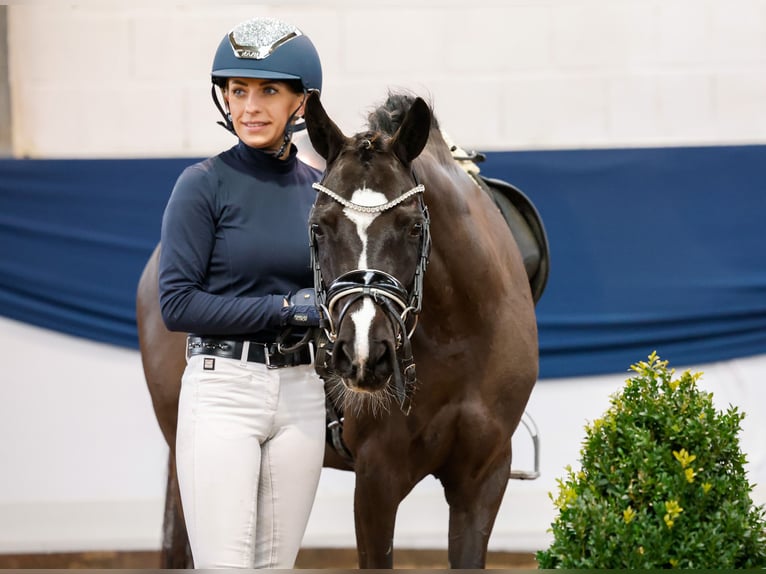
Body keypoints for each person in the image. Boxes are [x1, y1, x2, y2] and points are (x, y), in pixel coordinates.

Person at [158, 16, 326, 569]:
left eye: (268, 91)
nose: (249, 107)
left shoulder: (322, 193)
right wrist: (281, 308)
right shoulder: (201, 184)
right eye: (238, 90)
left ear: (301, 102)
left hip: (303, 394)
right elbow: (178, 304)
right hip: (224, 391)